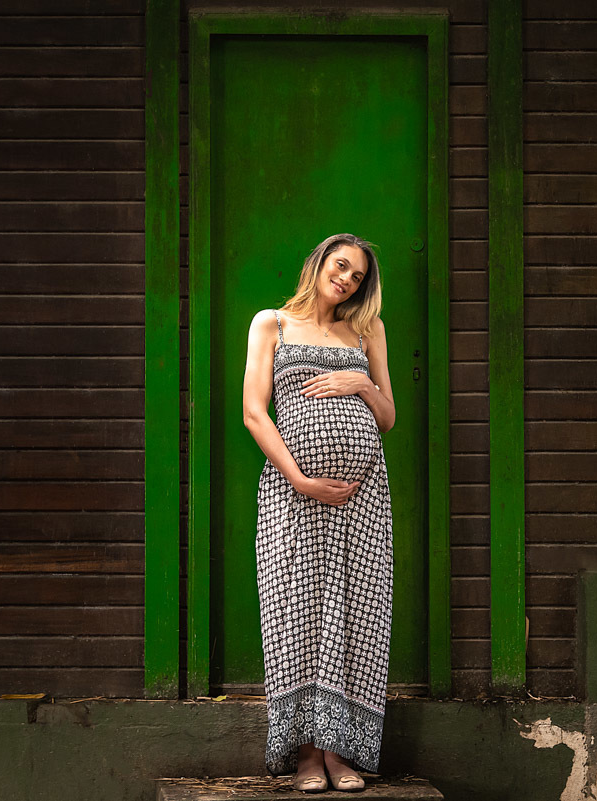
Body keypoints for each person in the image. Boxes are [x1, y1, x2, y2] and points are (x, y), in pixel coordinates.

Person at [241, 232, 396, 793]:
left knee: (356, 617)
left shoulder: (366, 328)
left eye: (358, 276)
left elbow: (387, 416)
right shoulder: (271, 324)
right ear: (319, 263)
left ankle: (338, 753)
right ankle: (306, 755)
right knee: (296, 616)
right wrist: (300, 479)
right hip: (291, 496)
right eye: (342, 266)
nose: (348, 280)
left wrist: (362, 382)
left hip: (363, 499)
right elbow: (255, 413)